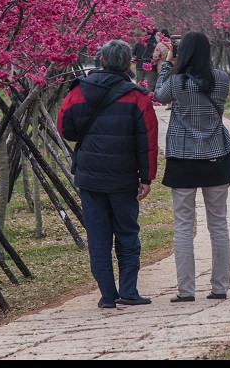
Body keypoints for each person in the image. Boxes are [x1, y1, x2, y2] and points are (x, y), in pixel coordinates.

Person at [56, 39, 159, 309]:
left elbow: (65, 129)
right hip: (124, 178)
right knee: (127, 234)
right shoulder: (137, 96)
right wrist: (146, 178)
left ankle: (107, 295)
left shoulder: (78, 91)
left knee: (98, 237)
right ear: (128, 64)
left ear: (101, 61)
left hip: (90, 177)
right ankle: (128, 290)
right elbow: (148, 140)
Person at [154, 30, 230, 303]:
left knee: (182, 225)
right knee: (219, 224)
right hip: (216, 155)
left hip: (183, 158)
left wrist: (168, 62)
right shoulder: (222, 79)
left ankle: (186, 290)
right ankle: (220, 287)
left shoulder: (176, 81)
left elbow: (159, 95)